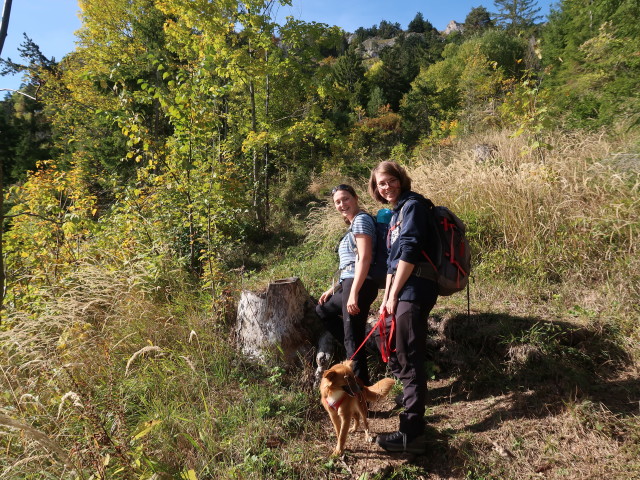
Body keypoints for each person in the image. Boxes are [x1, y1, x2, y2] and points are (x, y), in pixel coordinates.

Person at [368, 161, 438, 454]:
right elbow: (391, 260)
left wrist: (395, 294)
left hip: (416, 287)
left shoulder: (413, 207)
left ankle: (411, 434)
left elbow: (409, 250)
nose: (387, 187)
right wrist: (386, 299)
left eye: (391, 181)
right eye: (381, 184)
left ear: (401, 179)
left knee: (409, 355)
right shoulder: (395, 213)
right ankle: (408, 396)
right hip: (401, 288)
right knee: (382, 334)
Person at [316, 184, 379, 386]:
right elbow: (350, 264)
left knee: (352, 342)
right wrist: (335, 288)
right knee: (323, 310)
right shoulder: (352, 225)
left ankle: (362, 397)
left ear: (355, 198)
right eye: (337, 202)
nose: (342, 204)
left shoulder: (361, 221)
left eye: (345, 199)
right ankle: (369, 344)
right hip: (349, 282)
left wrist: (353, 293)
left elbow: (365, 258)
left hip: (360, 284)